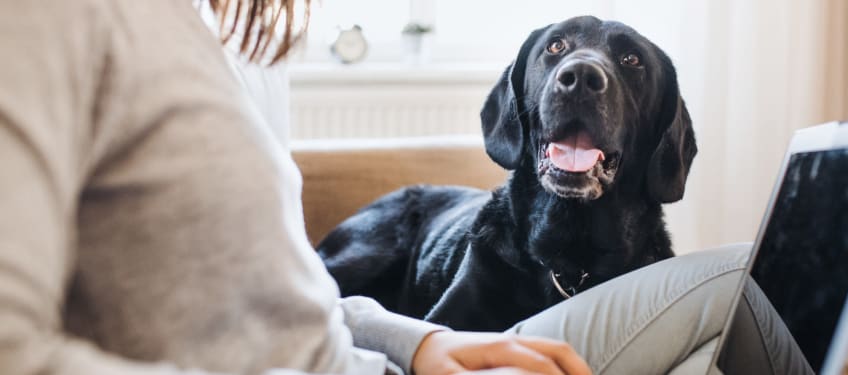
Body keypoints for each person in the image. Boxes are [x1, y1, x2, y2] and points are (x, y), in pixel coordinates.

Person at [0, 1, 787, 374]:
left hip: (392, 357)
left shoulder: (189, 39)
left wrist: (421, 340)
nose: (582, 71)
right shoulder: (59, 19)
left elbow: (287, 302)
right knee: (739, 285)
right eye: (561, 55)